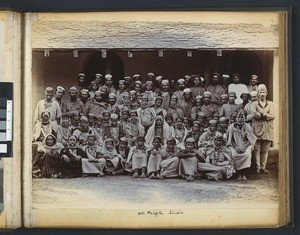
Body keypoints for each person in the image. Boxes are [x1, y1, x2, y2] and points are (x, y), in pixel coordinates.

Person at [252, 84, 275, 174]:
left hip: (268, 129)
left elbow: (273, 115)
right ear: (257, 94)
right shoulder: (254, 104)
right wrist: (264, 115)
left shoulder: (271, 103)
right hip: (257, 129)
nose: (262, 94)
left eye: (264, 92)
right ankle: (257, 167)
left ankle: (263, 167)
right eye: (260, 92)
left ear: (267, 93)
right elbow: (254, 114)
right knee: (257, 148)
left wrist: (262, 115)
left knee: (265, 149)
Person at [226, 111, 257, 180]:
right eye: (239, 117)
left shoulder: (247, 126)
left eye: (242, 117)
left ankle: (244, 174)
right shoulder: (232, 126)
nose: (240, 119)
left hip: (246, 145)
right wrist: (236, 147)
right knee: (234, 155)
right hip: (234, 145)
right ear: (236, 118)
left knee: (247, 155)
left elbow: (251, 139)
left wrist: (245, 146)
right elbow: (230, 140)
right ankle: (238, 174)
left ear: (244, 118)